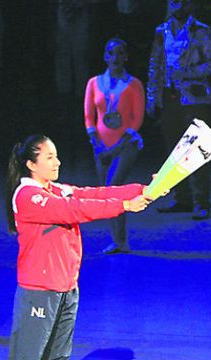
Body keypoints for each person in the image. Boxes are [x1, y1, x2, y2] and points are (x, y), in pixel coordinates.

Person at [0, 134, 154, 360]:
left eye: (56, 155)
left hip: (66, 289)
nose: (57, 162)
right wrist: (124, 206)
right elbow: (75, 209)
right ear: (31, 165)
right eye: (48, 157)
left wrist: (141, 190)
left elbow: (94, 193)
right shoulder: (28, 196)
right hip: (38, 292)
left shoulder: (55, 189)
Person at [147, 0, 211, 220]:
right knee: (175, 149)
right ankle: (182, 198)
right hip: (169, 98)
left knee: (196, 150)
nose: (177, 6)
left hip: (194, 97)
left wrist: (187, 72)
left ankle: (201, 201)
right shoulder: (162, 30)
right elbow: (155, 64)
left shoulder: (201, 31)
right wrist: (152, 97)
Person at [84, 37, 146, 254]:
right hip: (101, 146)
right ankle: (118, 240)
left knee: (114, 186)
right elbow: (89, 117)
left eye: (120, 53)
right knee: (106, 193)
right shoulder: (94, 83)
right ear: (105, 57)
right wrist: (98, 145)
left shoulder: (133, 84)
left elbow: (137, 118)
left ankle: (121, 240)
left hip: (124, 146)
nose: (115, 58)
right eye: (111, 53)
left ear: (126, 56)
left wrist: (117, 147)